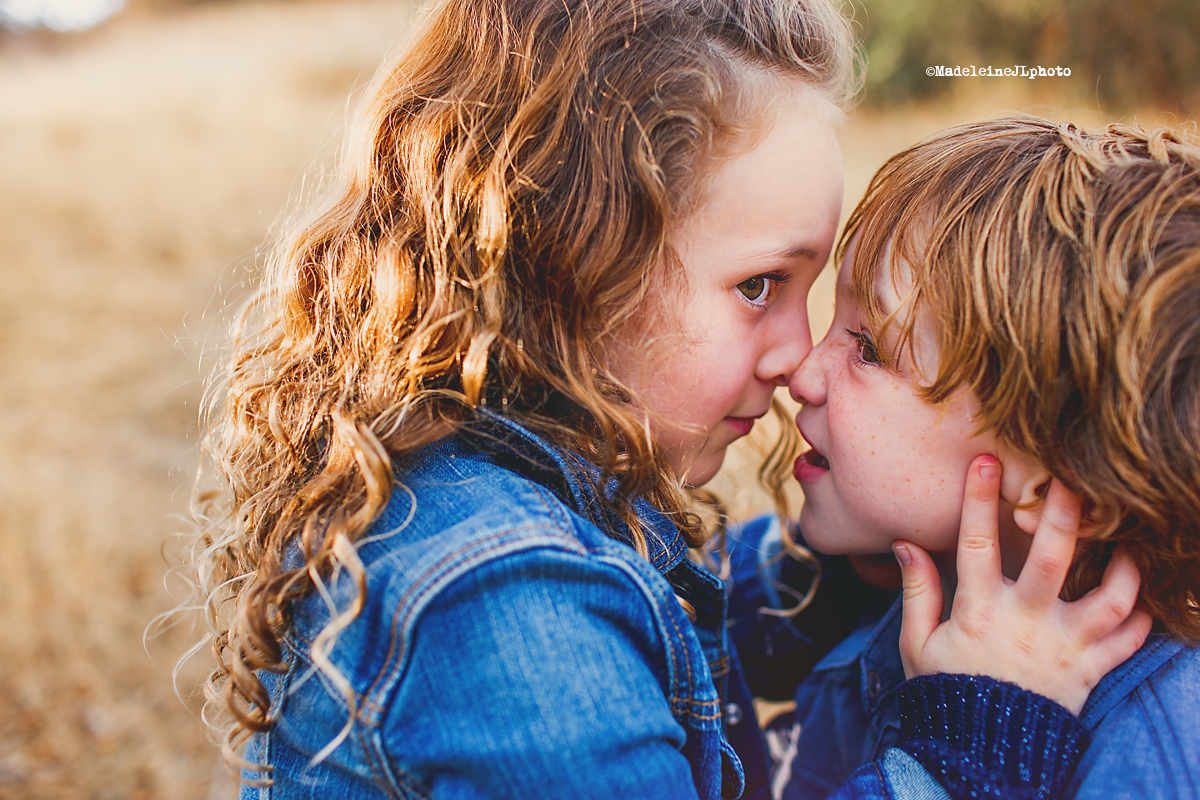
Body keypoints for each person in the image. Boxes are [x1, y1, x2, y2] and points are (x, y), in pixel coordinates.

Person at [183, 1, 1146, 796]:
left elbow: (701, 590)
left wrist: (872, 560)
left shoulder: (516, 487)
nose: (797, 357)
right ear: (575, 263)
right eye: (761, 286)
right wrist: (968, 747)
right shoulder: (510, 604)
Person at [759, 117, 1198, 799]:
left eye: (869, 349)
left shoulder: (1160, 760)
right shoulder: (878, 566)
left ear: (1050, 484)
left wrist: (974, 746)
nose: (802, 374)